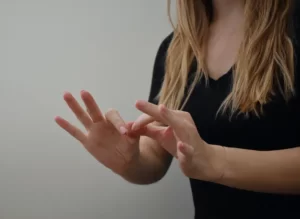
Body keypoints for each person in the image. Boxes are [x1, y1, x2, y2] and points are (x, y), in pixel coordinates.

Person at [55, 0, 300, 218]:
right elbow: (156, 155)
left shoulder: (293, 27)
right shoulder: (176, 48)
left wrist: (216, 161)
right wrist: (130, 161)